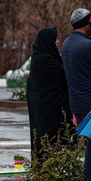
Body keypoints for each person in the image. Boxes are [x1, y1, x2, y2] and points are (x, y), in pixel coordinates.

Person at [26, 27, 72, 158]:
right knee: (48, 139)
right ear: (48, 41)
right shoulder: (44, 60)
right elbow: (64, 76)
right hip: (47, 112)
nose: (57, 42)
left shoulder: (44, 57)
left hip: (47, 110)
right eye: (55, 39)